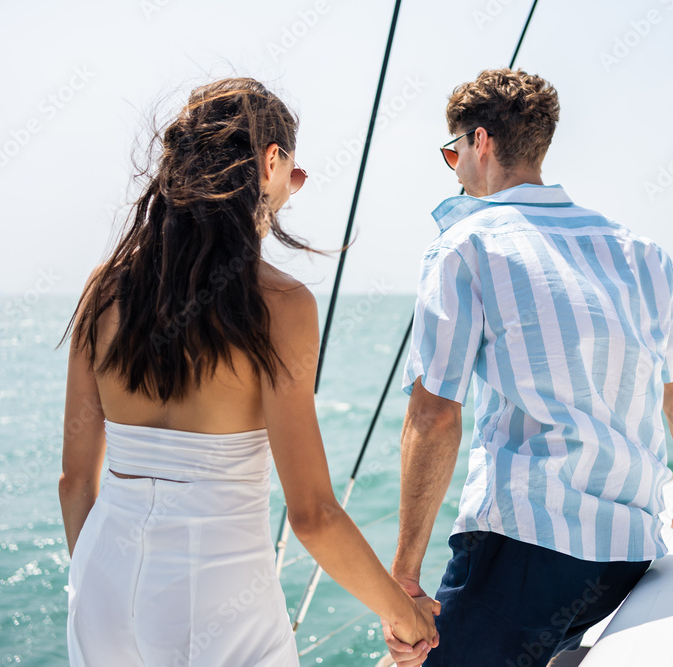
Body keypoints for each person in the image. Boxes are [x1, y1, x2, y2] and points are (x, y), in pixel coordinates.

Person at [57, 77, 438, 666]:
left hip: (100, 587)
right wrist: (404, 615)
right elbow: (312, 514)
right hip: (215, 596)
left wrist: (96, 582)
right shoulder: (280, 307)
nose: (297, 186)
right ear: (271, 162)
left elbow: (75, 481)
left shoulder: (104, 288)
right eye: (296, 172)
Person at [380, 69, 673, 666]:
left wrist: (404, 576)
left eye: (452, 153)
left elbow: (435, 415)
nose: (454, 168)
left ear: (481, 143)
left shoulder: (466, 247)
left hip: (523, 551)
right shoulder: (641, 253)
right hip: (626, 556)